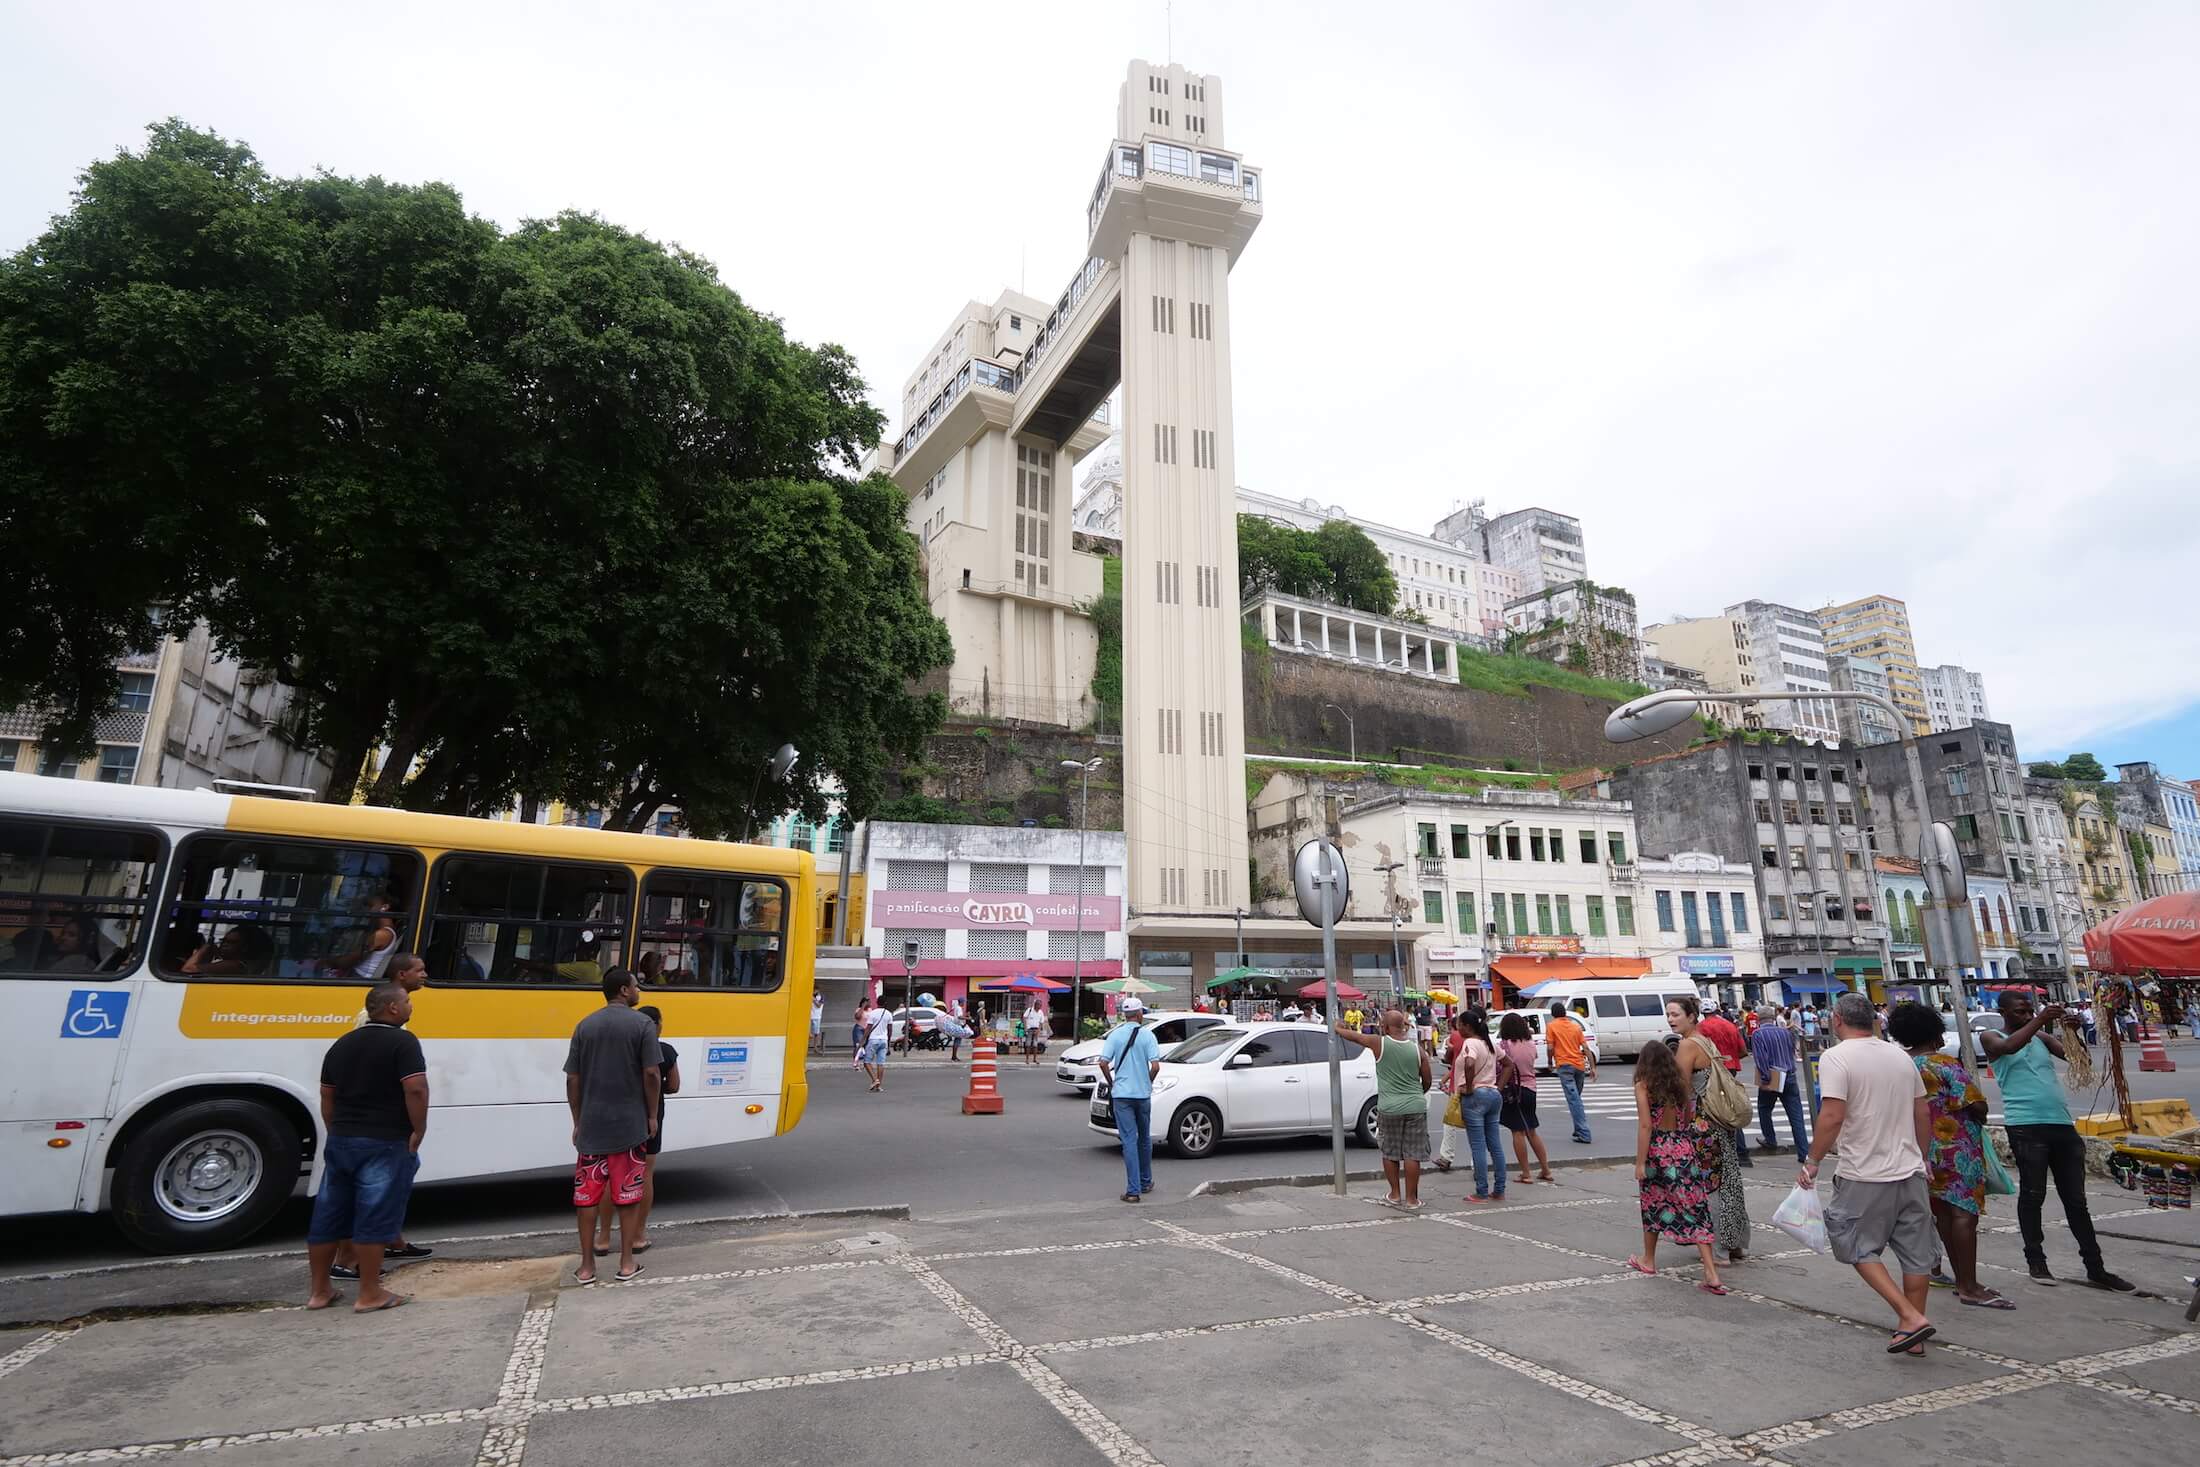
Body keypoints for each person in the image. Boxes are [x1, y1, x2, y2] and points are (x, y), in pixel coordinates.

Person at [1800, 992, 1939, 1355]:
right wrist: (1922, 1158)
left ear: (1837, 1019)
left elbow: (1832, 1115)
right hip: (1909, 1171)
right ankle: (1912, 1335)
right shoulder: (1900, 1056)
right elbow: (1922, 1114)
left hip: (1864, 1172)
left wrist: (1813, 1160)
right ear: (1874, 1020)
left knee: (1855, 1245)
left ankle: (1909, 1317)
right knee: (1916, 1253)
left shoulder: (1836, 1057)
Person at [1981, 991, 2136, 1291]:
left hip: (2061, 1123)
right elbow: (2008, 1047)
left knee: (2076, 1201)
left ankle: (2096, 1267)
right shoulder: (1992, 1036)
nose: (2026, 1016)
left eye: (2029, 1011)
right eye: (2019, 1012)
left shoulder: (2041, 1039)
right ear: (2003, 1012)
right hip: (2026, 1125)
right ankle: (2036, 1261)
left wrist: (2072, 1032)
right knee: (2033, 1194)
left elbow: (2080, 1059)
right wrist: (2040, 1020)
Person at [305, 980, 427, 1313]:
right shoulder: (403, 1043)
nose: (410, 1006)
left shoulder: (342, 1044)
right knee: (375, 1214)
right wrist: (419, 1129)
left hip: (343, 1139)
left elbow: (327, 1096)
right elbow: (415, 1088)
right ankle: (370, 1293)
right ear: (392, 1008)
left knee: (329, 1214)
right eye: (406, 1002)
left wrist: (336, 1131)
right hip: (384, 1140)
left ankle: (319, 1292)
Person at [1886, 1002, 2011, 1311]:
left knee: (1943, 1215)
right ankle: (1968, 1285)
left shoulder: (1899, 1065)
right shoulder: (1944, 1065)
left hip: (1919, 1150)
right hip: (1956, 1149)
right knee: (1964, 1216)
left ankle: (1961, 1279)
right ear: (1936, 1033)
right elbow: (1977, 1106)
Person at [331, 954, 434, 1281]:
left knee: (398, 1178)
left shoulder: (391, 1019)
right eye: (419, 971)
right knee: (369, 1188)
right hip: (376, 1123)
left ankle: (391, 1238)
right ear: (401, 976)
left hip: (381, 1119)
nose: (424, 975)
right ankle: (346, 1258)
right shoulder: (374, 1021)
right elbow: (371, 1068)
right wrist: (417, 1125)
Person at [564, 968, 661, 1285]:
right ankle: (627, 1263)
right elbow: (651, 1074)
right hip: (629, 1126)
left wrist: (578, 1120)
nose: (638, 991)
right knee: (628, 1193)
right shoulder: (643, 1024)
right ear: (623, 990)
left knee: (587, 1197)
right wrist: (651, 1115)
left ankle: (587, 1267)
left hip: (592, 1126)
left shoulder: (585, 1025)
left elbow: (573, 1078)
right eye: (635, 986)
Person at [1629, 1034, 1725, 1294]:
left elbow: (1646, 1125)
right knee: (1695, 1206)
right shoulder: (1680, 1086)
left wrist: (1640, 1162)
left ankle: (1648, 1259)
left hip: (1658, 1151)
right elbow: (1688, 1117)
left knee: (1653, 1203)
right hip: (1684, 1149)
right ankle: (1710, 1271)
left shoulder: (1643, 1085)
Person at [594, 1004, 678, 1258]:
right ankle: (638, 1236)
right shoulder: (665, 1051)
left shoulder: (619, 1050)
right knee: (644, 1174)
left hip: (617, 1115)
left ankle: (603, 1238)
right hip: (649, 1119)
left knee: (610, 1175)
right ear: (659, 1025)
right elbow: (672, 1086)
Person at [1668, 996, 1748, 1260]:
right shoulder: (1705, 1040)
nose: (1670, 1019)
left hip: (1701, 1122)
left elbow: (1679, 1088)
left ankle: (1716, 1248)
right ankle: (1733, 1243)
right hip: (1718, 1120)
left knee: (1707, 1185)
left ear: (1691, 1016)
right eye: (1668, 1015)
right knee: (1728, 1181)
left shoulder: (1687, 1045)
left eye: (1675, 1014)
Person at [1332, 1008, 1431, 1208]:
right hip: (1415, 1106)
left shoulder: (1380, 1043)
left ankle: (1395, 1194)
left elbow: (1357, 1038)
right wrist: (1415, 1094)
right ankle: (1412, 1199)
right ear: (1404, 1026)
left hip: (1389, 1107)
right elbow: (1427, 1080)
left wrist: (1338, 1028)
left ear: (1385, 1027)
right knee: (1413, 1154)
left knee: (1390, 1152)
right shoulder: (1418, 1050)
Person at [1097, 997, 1164, 1202]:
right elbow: (1155, 1066)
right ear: (1140, 1014)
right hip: (1142, 1095)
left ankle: (1133, 1190)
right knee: (1144, 1139)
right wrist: (1147, 1082)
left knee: (1128, 1141)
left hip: (1122, 1095)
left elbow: (1103, 1063)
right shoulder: (1148, 1036)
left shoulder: (1115, 1036)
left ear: (1124, 1015)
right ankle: (1145, 1181)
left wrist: (1112, 1082)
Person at [1452, 1010, 1507, 1203]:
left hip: (1475, 1097)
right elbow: (1508, 1064)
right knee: (1495, 1145)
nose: (1458, 1028)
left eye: (1459, 1024)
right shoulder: (1489, 1041)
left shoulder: (1470, 1043)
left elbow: (1469, 1064)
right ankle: (1499, 1189)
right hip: (1493, 1094)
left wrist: (1468, 1087)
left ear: (1467, 1026)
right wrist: (1498, 1087)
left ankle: (1481, 1190)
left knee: (1478, 1145)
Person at [1497, 1012, 1552, 1184]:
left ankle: (1526, 1173)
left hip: (1515, 1090)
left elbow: (1502, 1066)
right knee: (1532, 1131)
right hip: (1531, 1089)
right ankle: (1545, 1169)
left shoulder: (1505, 1045)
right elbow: (1533, 1060)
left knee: (1517, 1132)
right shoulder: (1530, 1043)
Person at [1696, 1004, 1752, 1167]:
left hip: (1712, 1070)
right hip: (1731, 1068)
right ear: (1718, 1011)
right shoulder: (1730, 1025)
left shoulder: (1701, 1028)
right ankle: (1742, 1152)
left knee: (1716, 1111)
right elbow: (1742, 1050)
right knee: (1732, 1107)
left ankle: (1727, 1152)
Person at [1751, 1003, 1809, 1159]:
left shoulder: (1758, 1034)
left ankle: (1770, 1139)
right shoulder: (1785, 1032)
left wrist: (1765, 1078)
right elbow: (1792, 1051)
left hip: (1772, 1075)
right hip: (1789, 1074)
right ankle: (1803, 1152)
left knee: (1764, 1108)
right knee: (1796, 1116)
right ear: (1773, 1018)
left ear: (1759, 1019)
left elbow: (1761, 1058)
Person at [1547, 1001, 1596, 1144]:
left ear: (1553, 1014)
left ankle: (1584, 1133)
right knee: (1576, 1099)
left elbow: (1550, 1047)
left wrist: (1550, 1062)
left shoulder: (1551, 1026)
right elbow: (1586, 1048)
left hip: (1564, 1065)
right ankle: (1578, 1129)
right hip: (1579, 1066)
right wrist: (1593, 1067)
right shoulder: (1575, 1027)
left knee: (1574, 1100)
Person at [1428, 1013, 1469, 1173]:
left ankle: (1446, 1157)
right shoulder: (1481, 1041)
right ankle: (1477, 1163)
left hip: (1457, 1085)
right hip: (1474, 1086)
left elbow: (1451, 1060)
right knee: (1475, 1127)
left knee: (1450, 1123)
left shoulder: (1455, 1036)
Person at [325, 892, 398, 981]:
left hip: (359, 976)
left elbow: (349, 961)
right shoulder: (386, 931)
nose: (367, 910)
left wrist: (328, 962)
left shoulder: (382, 934)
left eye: (370, 906)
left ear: (384, 907)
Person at [861, 996, 893, 1091]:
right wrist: (888, 1041)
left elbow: (868, 1028)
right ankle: (879, 1086)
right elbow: (890, 1029)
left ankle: (875, 1080)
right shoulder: (888, 1014)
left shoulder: (873, 1013)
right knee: (881, 1063)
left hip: (873, 1040)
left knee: (867, 1062)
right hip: (883, 1040)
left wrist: (863, 1040)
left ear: (877, 1002)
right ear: (885, 1003)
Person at [810, 990, 825, 1055]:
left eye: (815, 990)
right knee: (808, 1033)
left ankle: (815, 1048)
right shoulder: (809, 996)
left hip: (817, 1017)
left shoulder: (821, 997)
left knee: (816, 1033)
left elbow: (819, 1005)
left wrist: (813, 1000)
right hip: (809, 1016)